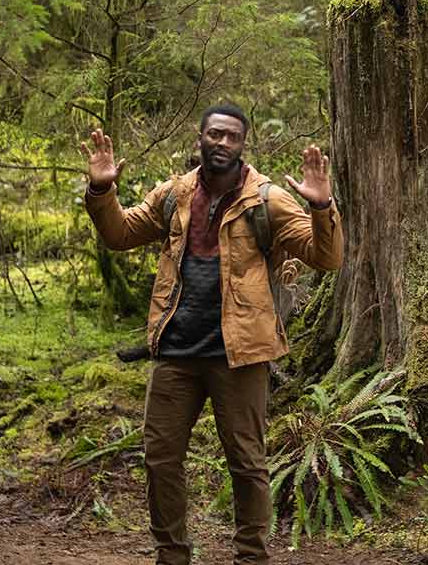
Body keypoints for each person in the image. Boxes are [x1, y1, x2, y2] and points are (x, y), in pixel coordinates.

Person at [80, 104, 344, 565]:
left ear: (243, 145)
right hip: (175, 353)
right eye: (215, 134)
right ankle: (173, 556)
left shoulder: (268, 200)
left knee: (246, 463)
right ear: (200, 137)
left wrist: (321, 204)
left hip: (238, 354)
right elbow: (120, 233)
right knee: (160, 459)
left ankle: (251, 558)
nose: (223, 143)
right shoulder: (174, 195)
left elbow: (327, 257)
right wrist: (102, 189)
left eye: (232, 137)